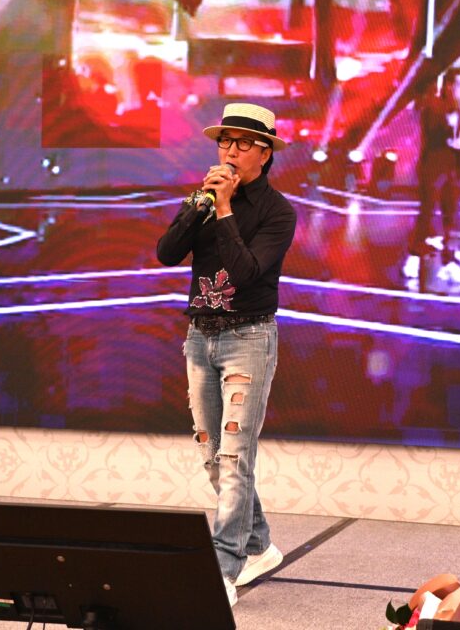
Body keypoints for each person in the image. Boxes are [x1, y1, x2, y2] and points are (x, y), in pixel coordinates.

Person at [156, 102, 297, 607]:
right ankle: (259, 545)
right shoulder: (204, 197)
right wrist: (199, 205)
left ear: (265, 153)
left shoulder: (278, 212)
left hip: (249, 338)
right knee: (213, 455)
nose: (230, 152)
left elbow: (244, 273)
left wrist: (224, 209)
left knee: (236, 459)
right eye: (224, 142)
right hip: (200, 336)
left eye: (241, 143)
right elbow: (166, 253)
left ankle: (223, 569)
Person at [403, 67, 460, 284]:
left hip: (452, 171)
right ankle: (414, 256)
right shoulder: (433, 107)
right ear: (449, 86)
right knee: (427, 214)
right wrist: (449, 138)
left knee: (451, 219)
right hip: (433, 169)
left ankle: (449, 263)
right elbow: (432, 134)